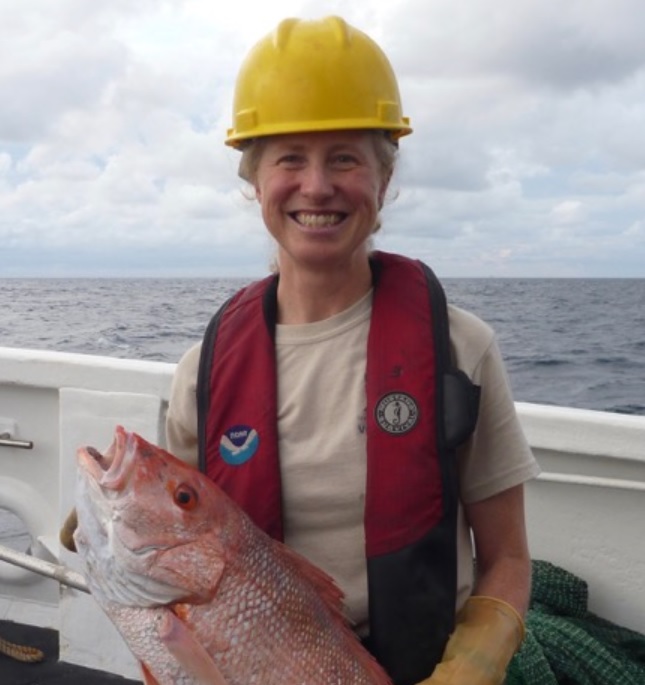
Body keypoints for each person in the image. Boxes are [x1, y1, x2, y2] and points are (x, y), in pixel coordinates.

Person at [165, 15, 540, 685]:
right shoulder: (203, 373)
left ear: (383, 178)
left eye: (344, 157)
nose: (316, 186)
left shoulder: (461, 346)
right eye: (289, 158)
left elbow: (507, 556)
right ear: (254, 180)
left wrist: (475, 661)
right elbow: (183, 553)